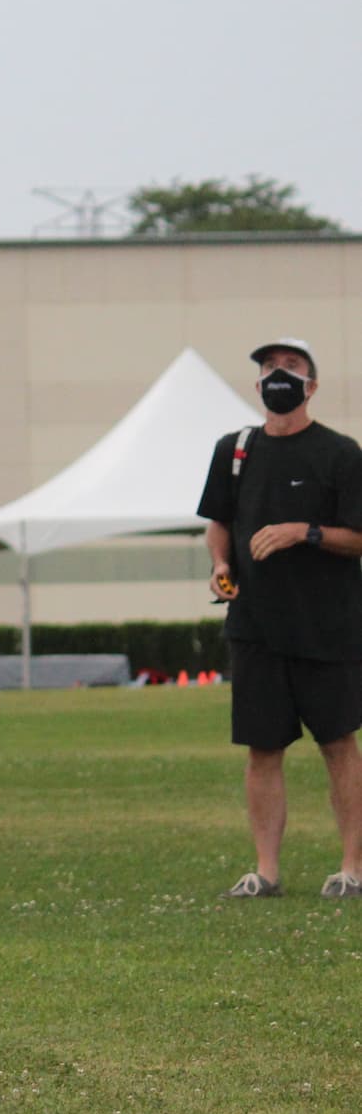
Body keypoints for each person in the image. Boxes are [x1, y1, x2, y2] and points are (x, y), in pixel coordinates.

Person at [198, 338, 362, 900]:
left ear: (311, 385)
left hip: (327, 627)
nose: (278, 376)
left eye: (290, 368)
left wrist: (304, 531)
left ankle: (352, 869)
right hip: (256, 628)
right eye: (269, 368)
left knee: (338, 743)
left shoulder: (342, 454)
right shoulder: (234, 450)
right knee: (262, 748)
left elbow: (358, 537)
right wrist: (221, 563)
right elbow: (218, 523)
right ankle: (266, 872)